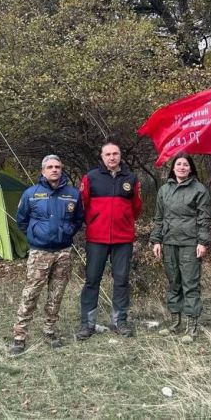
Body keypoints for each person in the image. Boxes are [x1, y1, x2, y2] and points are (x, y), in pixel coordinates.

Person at [10, 155, 84, 355]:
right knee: (31, 293)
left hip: (63, 252)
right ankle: (19, 336)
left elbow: (78, 219)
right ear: (43, 171)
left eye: (57, 166)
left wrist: (67, 232)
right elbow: (22, 220)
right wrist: (35, 235)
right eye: (50, 167)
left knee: (56, 294)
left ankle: (49, 332)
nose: (54, 170)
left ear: (61, 169)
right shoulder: (31, 194)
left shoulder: (73, 194)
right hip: (40, 252)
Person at [76, 142, 142, 339]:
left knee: (121, 280)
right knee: (92, 280)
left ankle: (119, 322)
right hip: (97, 238)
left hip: (123, 239)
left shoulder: (131, 178)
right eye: (108, 154)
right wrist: (94, 222)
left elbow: (137, 207)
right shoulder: (91, 177)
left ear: (120, 156)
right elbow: (82, 204)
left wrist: (125, 221)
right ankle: (87, 324)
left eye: (115, 154)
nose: (112, 157)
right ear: (102, 156)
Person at [149, 154, 211, 339]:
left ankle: (191, 327)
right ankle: (175, 323)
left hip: (190, 244)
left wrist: (202, 242)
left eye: (185, 164)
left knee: (190, 284)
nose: (182, 167)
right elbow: (159, 218)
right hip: (169, 243)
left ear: (190, 168)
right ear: (173, 168)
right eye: (178, 164)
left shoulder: (199, 189)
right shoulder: (164, 190)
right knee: (174, 283)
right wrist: (156, 240)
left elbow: (204, 218)